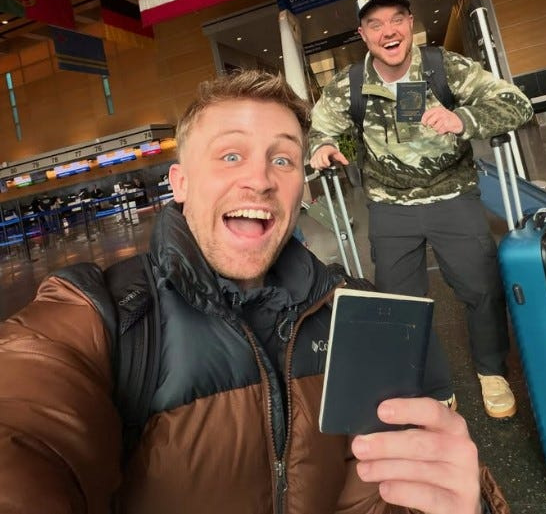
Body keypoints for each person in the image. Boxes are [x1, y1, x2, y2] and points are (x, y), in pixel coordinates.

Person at [0, 69, 508, 514]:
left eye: (283, 160)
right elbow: (23, 436)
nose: (260, 179)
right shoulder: (103, 317)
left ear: (300, 187)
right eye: (230, 154)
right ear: (179, 182)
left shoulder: (354, 310)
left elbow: (384, 490)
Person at [309, 0, 534, 420]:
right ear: (363, 35)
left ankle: (491, 371)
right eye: (375, 24)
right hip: (390, 207)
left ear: (410, 23)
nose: (388, 31)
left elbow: (516, 104)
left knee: (481, 289)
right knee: (401, 302)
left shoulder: (443, 68)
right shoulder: (348, 85)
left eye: (396, 19)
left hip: (453, 195)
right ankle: (431, 384)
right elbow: (321, 128)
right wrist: (320, 147)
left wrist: (462, 117)